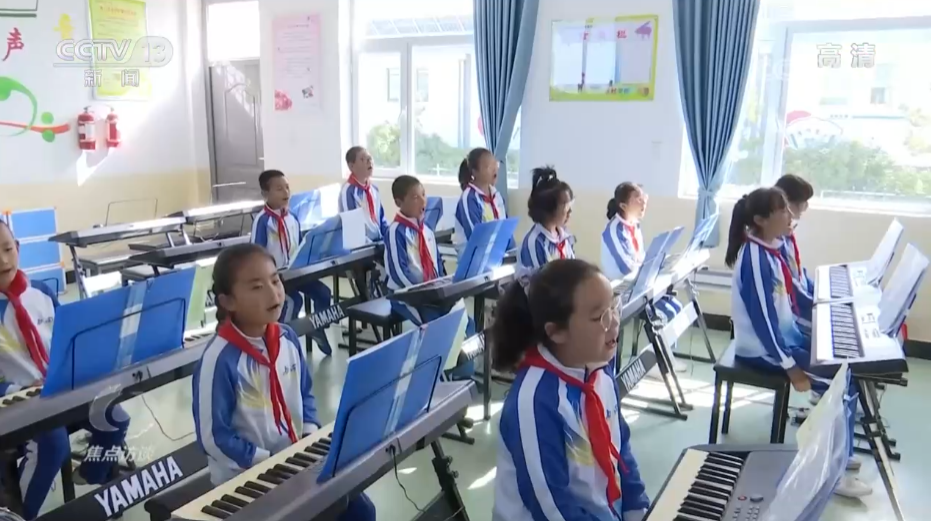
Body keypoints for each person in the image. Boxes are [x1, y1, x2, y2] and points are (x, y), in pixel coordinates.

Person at [192, 244, 376, 520]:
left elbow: (305, 393)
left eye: (275, 280)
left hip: (295, 460)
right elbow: (214, 438)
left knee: (360, 510)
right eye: (257, 287)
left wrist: (309, 432)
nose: (273, 293)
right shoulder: (218, 360)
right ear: (228, 302)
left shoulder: (287, 338)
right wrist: (265, 461)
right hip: (246, 480)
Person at [725, 187, 870, 499]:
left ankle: (840, 453)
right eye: (783, 211)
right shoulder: (754, 259)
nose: (790, 216)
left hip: (785, 339)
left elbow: (792, 298)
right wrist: (790, 366)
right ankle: (832, 473)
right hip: (762, 350)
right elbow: (763, 322)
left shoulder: (772, 249)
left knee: (845, 370)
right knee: (838, 385)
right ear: (761, 219)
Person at [490, 259, 649, 521]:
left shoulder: (600, 370)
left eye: (614, 306)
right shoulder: (534, 401)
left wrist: (638, 511)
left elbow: (621, 451)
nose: (614, 323)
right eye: (599, 317)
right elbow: (552, 508)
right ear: (556, 332)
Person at [0, 221, 129, 520]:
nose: (3, 261)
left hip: (58, 388)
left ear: (17, 248)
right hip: (16, 403)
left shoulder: (42, 292)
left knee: (115, 417)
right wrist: (16, 390)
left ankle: (91, 474)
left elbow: (68, 340)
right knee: (52, 442)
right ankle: (20, 515)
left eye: (7, 249)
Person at [384, 175, 474, 378]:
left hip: (432, 294)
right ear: (399, 202)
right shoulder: (395, 232)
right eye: (415, 197)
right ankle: (443, 376)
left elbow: (437, 266)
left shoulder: (427, 230)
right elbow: (399, 273)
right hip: (406, 297)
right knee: (439, 327)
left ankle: (462, 375)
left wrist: (446, 289)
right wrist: (423, 294)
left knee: (466, 322)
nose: (423, 201)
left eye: (423, 195)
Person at [601, 182, 686, 372]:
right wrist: (650, 265)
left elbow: (640, 260)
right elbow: (627, 267)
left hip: (639, 285)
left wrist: (660, 262)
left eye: (644, 198)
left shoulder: (633, 226)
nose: (643, 203)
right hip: (621, 294)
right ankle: (657, 362)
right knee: (663, 313)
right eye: (638, 199)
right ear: (623, 205)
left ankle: (664, 356)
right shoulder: (614, 230)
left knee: (675, 307)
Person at [252, 169, 332, 355]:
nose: (286, 192)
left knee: (323, 293)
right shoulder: (263, 221)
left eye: (287, 187)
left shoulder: (293, 218)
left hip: (296, 273)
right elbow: (256, 254)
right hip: (276, 279)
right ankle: (283, 342)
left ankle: (317, 327)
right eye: (279, 189)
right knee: (293, 301)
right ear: (265, 194)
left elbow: (300, 246)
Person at [775, 174, 815, 332]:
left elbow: (798, 274)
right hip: (791, 314)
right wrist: (818, 304)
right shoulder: (775, 240)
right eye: (803, 202)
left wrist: (819, 293)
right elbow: (790, 285)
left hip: (798, 306)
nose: (806, 207)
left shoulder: (786, 233)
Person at [454, 147, 514, 253]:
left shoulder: (496, 194)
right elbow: (475, 237)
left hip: (496, 251)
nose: (494, 169)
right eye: (488, 167)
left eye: (495, 164)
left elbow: (505, 228)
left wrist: (512, 252)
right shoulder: (469, 198)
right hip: (475, 255)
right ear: (475, 172)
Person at [518, 166, 575, 275]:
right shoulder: (534, 243)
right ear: (549, 210)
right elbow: (542, 283)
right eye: (566, 208)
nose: (570, 212)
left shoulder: (563, 235)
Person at [339, 146, 389, 242]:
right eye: (362, 159)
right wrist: (371, 245)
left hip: (378, 241)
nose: (369, 161)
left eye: (370, 158)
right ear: (351, 166)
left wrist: (388, 237)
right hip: (363, 245)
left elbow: (381, 219)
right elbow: (352, 227)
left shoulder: (374, 189)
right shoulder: (348, 192)